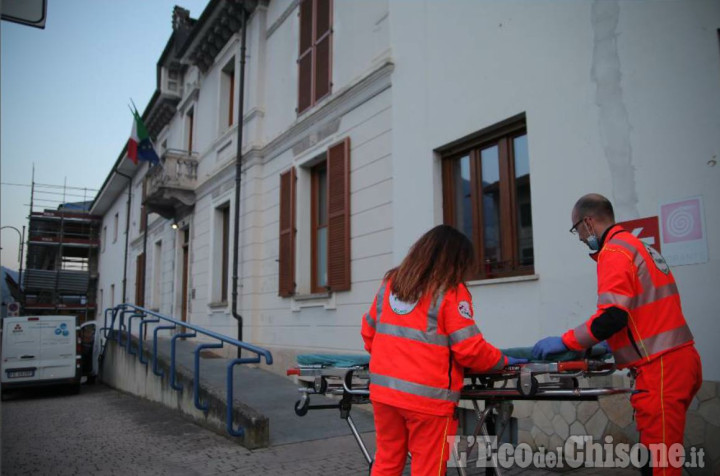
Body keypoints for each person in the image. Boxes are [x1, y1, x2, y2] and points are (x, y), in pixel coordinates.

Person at [532, 193, 702, 476]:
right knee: (658, 458)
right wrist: (617, 346)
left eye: (577, 230)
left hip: (660, 368)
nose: (579, 239)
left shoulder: (613, 252)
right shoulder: (640, 247)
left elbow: (612, 316)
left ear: (587, 222)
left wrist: (565, 342)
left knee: (661, 465)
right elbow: (641, 313)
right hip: (681, 360)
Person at [361, 224, 524, 476]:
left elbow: (369, 332)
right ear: (457, 260)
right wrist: (501, 361)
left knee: (386, 462)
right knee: (428, 468)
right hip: (428, 401)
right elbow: (469, 350)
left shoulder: (391, 283)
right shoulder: (450, 290)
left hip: (384, 395)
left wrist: (394, 362)